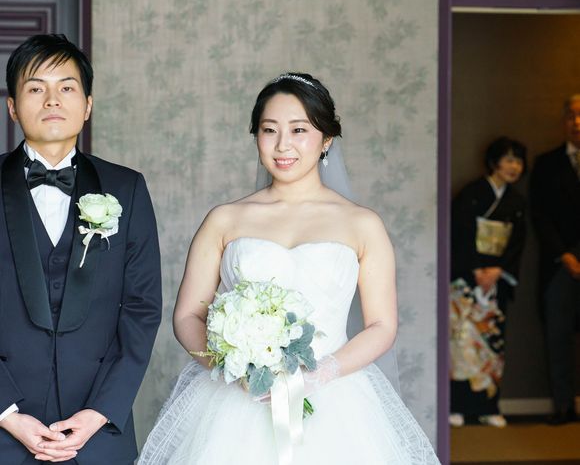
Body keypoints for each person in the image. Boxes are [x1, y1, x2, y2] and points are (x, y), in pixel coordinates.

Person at [138, 73, 439, 464]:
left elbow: (382, 325)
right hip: (235, 403)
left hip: (337, 398)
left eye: (299, 130)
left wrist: (319, 375)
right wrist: (235, 370)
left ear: (326, 139)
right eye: (269, 130)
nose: (283, 145)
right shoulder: (224, 219)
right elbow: (187, 317)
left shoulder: (363, 224)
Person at [0, 34, 162, 464]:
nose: (52, 100)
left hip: (97, 431)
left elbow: (142, 308)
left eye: (66, 87)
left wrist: (101, 411)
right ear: (12, 106)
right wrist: (6, 413)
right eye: (36, 88)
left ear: (87, 105)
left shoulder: (127, 188)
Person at [449, 137, 527, 428]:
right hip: (467, 279)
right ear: (494, 161)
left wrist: (497, 270)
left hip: (496, 281)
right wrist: (475, 271)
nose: (514, 167)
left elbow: (517, 243)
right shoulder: (472, 194)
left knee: (492, 345)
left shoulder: (516, 201)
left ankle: (488, 406)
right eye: (508, 160)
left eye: (518, 161)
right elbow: (459, 234)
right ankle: (456, 405)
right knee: (461, 342)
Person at [530, 94, 580, 425]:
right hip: (559, 264)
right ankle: (563, 405)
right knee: (558, 337)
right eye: (572, 116)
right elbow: (540, 216)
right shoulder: (547, 163)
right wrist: (565, 255)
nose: (577, 122)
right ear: (564, 121)